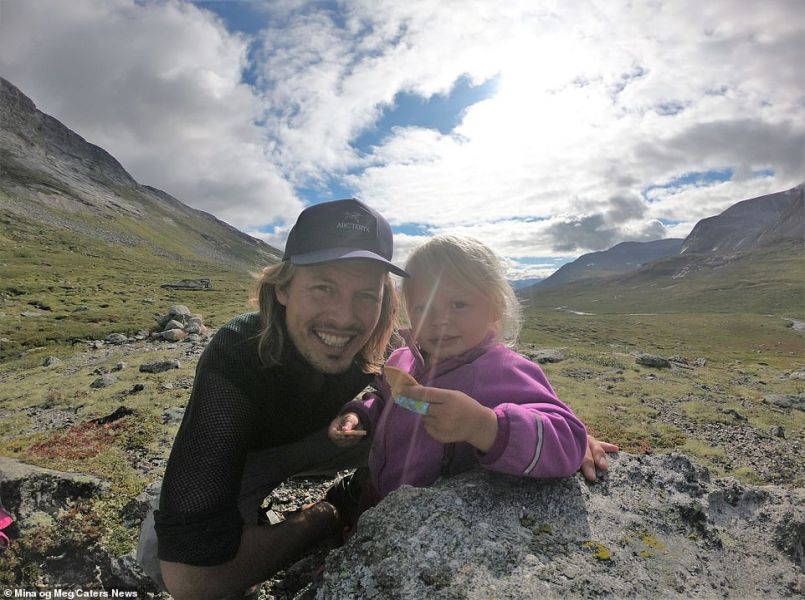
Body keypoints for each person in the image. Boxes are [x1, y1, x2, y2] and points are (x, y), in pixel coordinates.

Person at [136, 199, 617, 600]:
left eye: (366, 295)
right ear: (283, 288)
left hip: (373, 472)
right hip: (259, 458)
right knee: (171, 562)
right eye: (323, 286)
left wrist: (561, 436)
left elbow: (507, 387)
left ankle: (351, 505)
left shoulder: (398, 343)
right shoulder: (239, 351)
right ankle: (325, 517)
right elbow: (189, 576)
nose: (345, 317)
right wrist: (355, 421)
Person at [328, 234, 588, 514]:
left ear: (494, 308)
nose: (440, 319)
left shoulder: (506, 371)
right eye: (423, 307)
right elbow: (384, 397)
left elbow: (569, 441)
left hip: (436, 521)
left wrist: (486, 426)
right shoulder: (402, 359)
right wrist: (359, 414)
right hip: (379, 492)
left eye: (459, 304)